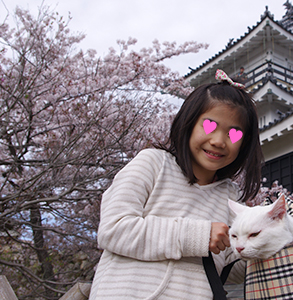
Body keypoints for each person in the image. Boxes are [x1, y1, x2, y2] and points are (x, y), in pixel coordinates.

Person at [89, 69, 263, 299]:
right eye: (210, 125)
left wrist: (270, 242)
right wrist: (197, 236)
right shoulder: (152, 163)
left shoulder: (232, 197)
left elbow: (234, 267)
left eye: (234, 134)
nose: (219, 141)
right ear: (189, 123)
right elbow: (114, 230)